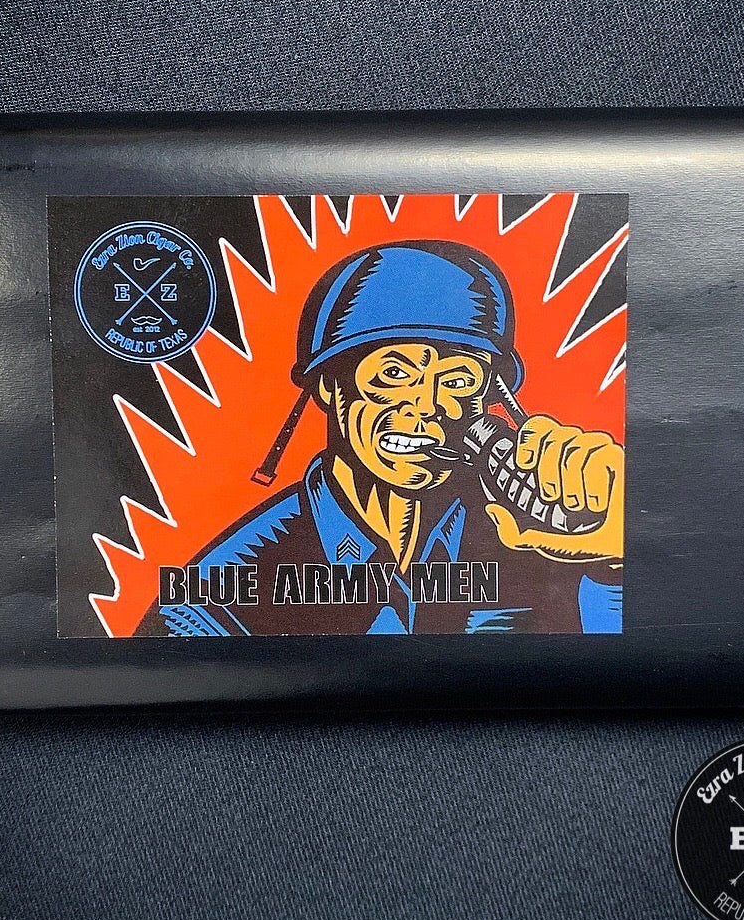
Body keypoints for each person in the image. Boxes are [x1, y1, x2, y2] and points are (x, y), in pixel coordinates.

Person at [139, 241, 623, 636]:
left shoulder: (530, 536)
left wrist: (611, 557)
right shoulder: (214, 599)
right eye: (393, 374)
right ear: (329, 385)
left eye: (458, 380)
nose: (429, 406)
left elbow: (621, 675)